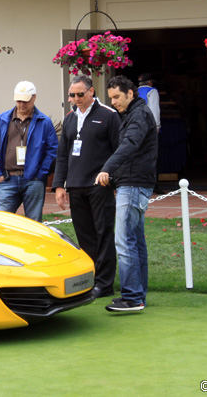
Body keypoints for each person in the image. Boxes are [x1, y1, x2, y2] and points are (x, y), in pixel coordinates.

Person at [54, 74, 121, 297]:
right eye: (72, 95)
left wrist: (114, 182)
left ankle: (104, 283)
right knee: (84, 235)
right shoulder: (70, 118)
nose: (76, 98)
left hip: (99, 184)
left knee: (103, 233)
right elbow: (63, 153)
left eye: (80, 94)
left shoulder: (108, 116)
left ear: (91, 92)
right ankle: (91, 278)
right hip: (76, 184)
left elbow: (119, 151)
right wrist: (59, 185)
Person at [96, 74, 158, 313]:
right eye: (111, 98)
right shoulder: (133, 114)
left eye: (117, 97)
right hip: (133, 183)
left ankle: (132, 298)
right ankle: (137, 295)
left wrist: (107, 169)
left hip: (134, 184)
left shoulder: (139, 115)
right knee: (135, 241)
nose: (113, 102)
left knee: (125, 241)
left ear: (130, 93)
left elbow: (129, 145)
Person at [0, 81, 58, 221]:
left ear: (34, 98)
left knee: (33, 224)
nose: (21, 104)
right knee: (0, 222)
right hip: (7, 178)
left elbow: (52, 150)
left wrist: (41, 174)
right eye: (18, 100)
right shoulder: (3, 119)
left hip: (33, 180)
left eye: (25, 101)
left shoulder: (44, 122)